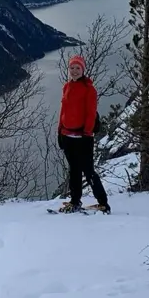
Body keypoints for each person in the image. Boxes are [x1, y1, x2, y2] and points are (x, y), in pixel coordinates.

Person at [57, 55, 110, 213]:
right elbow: (63, 111)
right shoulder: (67, 87)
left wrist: (87, 133)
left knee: (88, 171)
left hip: (83, 137)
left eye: (78, 68)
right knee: (74, 170)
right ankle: (75, 201)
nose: (74, 71)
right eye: (72, 68)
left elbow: (91, 113)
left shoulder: (89, 89)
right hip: (67, 135)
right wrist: (60, 131)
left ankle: (103, 203)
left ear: (83, 70)